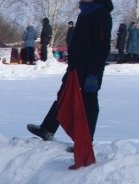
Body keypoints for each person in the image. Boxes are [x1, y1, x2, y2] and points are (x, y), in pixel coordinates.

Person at [27, 0, 112, 147]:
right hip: (75, 67)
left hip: (91, 69)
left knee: (89, 101)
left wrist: (93, 74)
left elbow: (102, 48)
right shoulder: (84, 13)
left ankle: (85, 141)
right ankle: (47, 129)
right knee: (63, 95)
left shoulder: (101, 14)